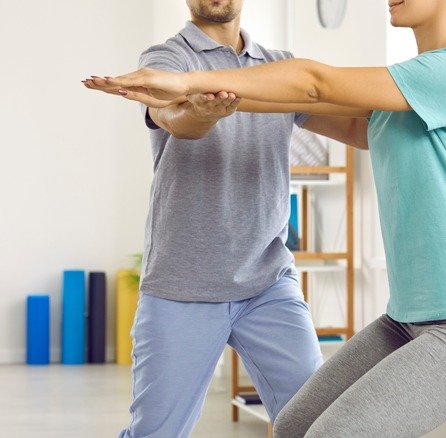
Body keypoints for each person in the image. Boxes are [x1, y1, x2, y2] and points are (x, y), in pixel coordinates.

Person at [86, 0, 446, 436]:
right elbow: (211, 113)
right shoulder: (406, 86)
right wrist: (192, 102)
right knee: (294, 426)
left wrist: (186, 82)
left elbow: (315, 85)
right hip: (404, 317)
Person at [82, 1, 374, 436]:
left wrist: (425, 109)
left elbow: (357, 131)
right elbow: (175, 120)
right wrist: (200, 113)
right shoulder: (167, 58)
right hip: (182, 287)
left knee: (315, 423)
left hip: (268, 283)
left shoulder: (279, 68)